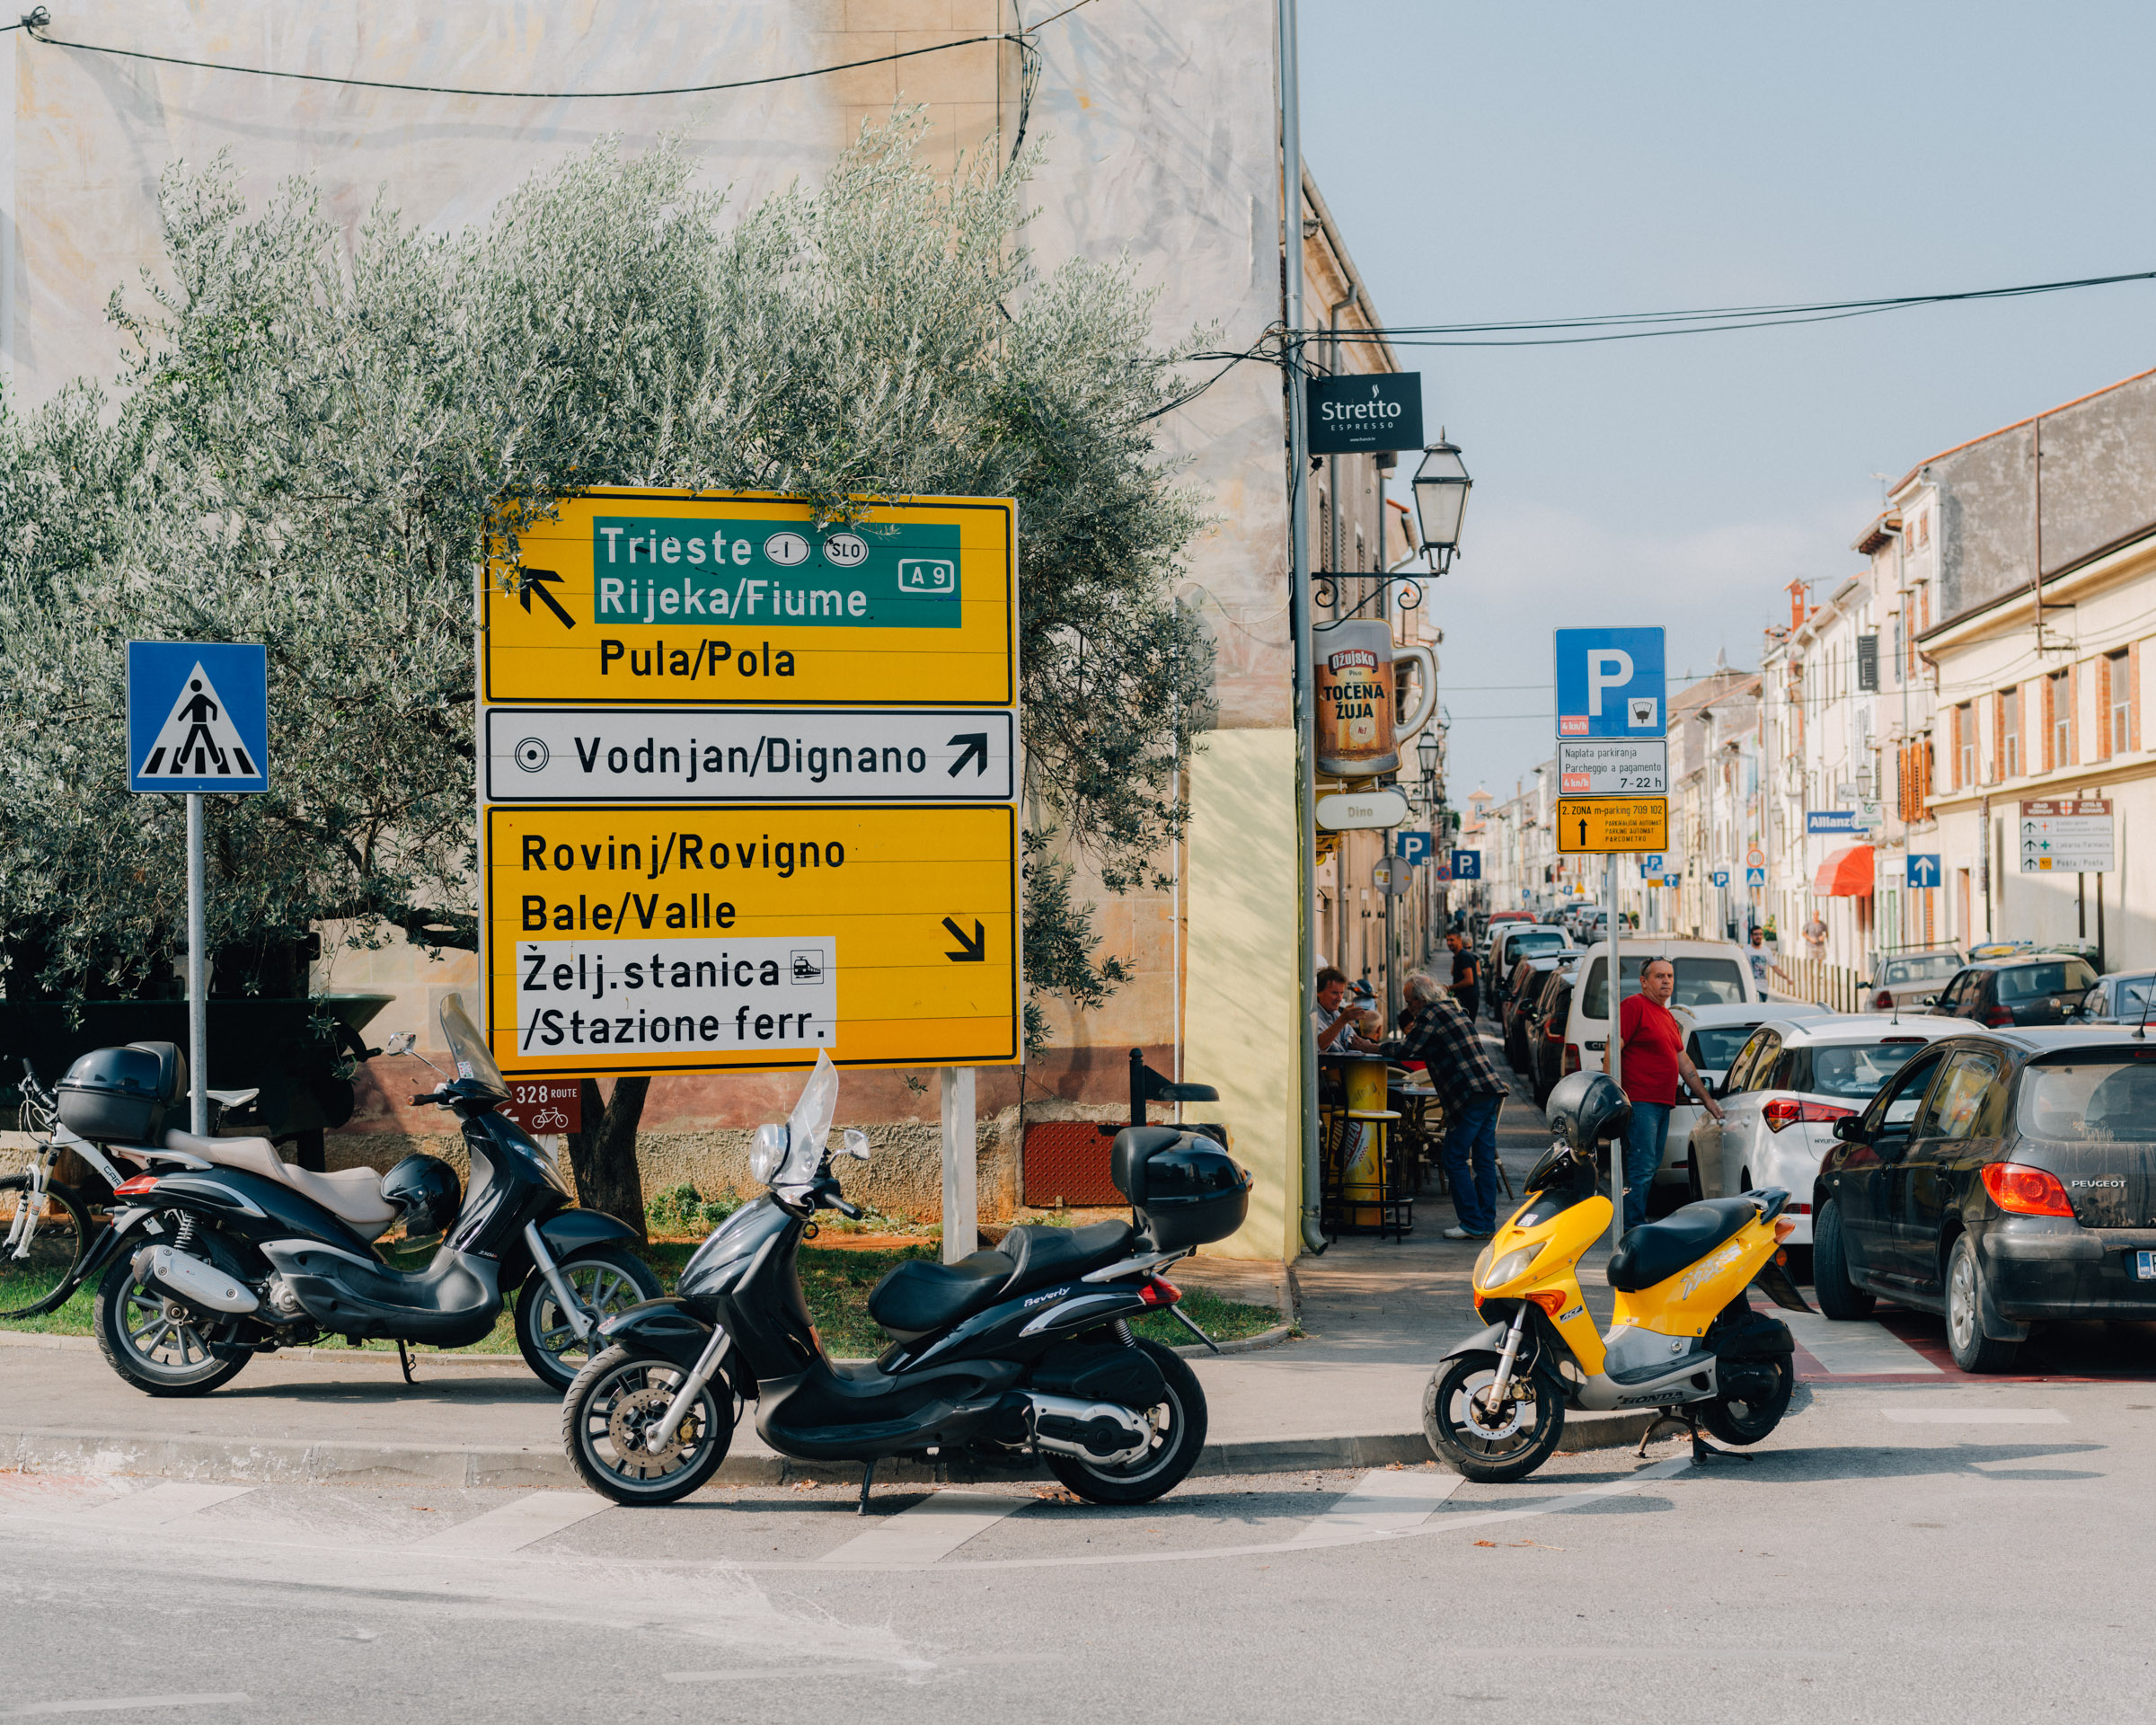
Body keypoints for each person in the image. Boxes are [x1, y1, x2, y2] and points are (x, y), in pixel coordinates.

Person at [1604, 956, 1724, 1232]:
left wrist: (1707, 1100)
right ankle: (1631, 1226)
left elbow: (1685, 1063)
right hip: (1640, 1101)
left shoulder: (1666, 1015)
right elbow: (1612, 1047)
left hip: (1661, 1103)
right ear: (1644, 982)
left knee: (1650, 1165)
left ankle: (1634, 1221)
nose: (1666, 981)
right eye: (1659, 976)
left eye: (1669, 976)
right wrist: (1613, 1092)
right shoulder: (1634, 1006)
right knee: (1642, 1165)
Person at [1389, 970, 1509, 1240]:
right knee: (1483, 1160)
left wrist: (1371, 1047)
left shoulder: (1430, 1014)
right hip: (1489, 1089)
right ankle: (1486, 1222)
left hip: (1469, 1094)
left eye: (1410, 1002)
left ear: (1421, 999)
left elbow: (1406, 1048)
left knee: (1453, 1157)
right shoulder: (1454, 1009)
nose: (1409, 1008)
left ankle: (1472, 1222)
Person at [1312, 967, 1380, 1054]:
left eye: (1341, 993)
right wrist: (1343, 1020)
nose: (1340, 998)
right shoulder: (1314, 1016)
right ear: (1318, 992)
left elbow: (1354, 1040)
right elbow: (1319, 1044)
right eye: (1334, 993)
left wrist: (1374, 1048)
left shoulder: (1335, 1014)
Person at [1445, 932, 1481, 1021]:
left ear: (1459, 940)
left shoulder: (1463, 956)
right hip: (1463, 999)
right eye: (1447, 940)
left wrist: (1449, 988)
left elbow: (1469, 981)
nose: (1449, 943)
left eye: (1452, 940)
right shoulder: (1459, 956)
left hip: (1468, 1001)